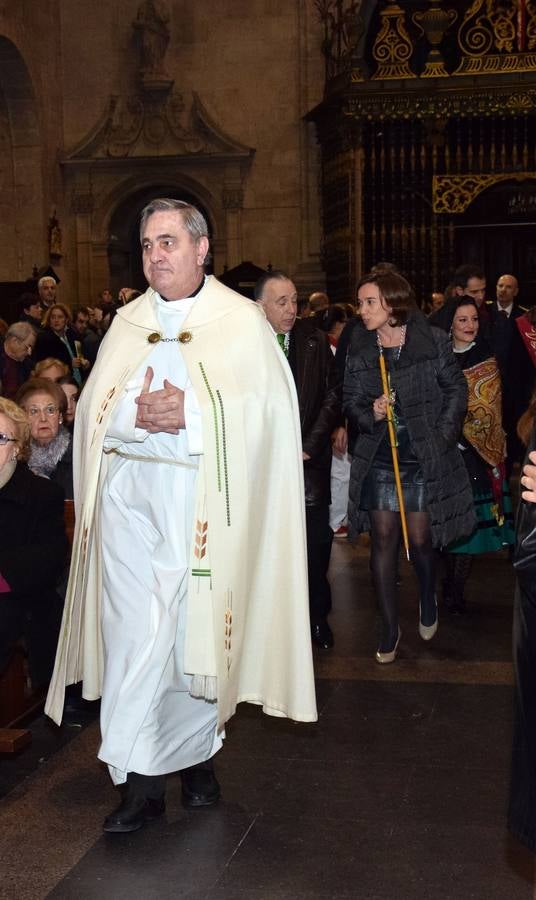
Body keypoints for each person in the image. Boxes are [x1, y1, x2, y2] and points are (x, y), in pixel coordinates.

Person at [45, 198, 316, 835]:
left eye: (167, 242)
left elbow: (269, 414)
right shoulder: (128, 321)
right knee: (138, 640)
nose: (155, 255)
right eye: (146, 244)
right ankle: (139, 786)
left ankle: (196, 761)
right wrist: (133, 415)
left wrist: (192, 414)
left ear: (201, 249)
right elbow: (90, 414)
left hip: (203, 510)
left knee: (194, 649)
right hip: (133, 509)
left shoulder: (241, 321)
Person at [344, 271, 475, 663]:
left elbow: (456, 390)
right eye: (360, 303)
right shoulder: (361, 346)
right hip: (380, 456)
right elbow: (349, 400)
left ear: (393, 304)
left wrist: (441, 435)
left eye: (370, 302)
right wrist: (371, 411)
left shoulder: (431, 341)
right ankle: (388, 625)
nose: (362, 310)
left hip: (422, 454)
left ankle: (426, 595)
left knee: (419, 539)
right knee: (382, 538)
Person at [255, 270, 341, 650]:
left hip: (308, 464)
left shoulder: (314, 341)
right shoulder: (245, 343)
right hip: (261, 465)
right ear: (261, 306)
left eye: (294, 300)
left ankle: (316, 617)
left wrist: (309, 444)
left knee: (315, 544)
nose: (292, 309)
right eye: (282, 302)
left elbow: (331, 395)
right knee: (269, 548)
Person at [437, 297, 514, 612]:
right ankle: (447, 583)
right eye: (462, 320)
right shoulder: (439, 359)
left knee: (468, 531)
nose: (470, 326)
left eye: (474, 320)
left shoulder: (486, 358)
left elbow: (489, 408)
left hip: (476, 455)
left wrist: (465, 434)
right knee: (446, 528)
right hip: (444, 453)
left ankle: (456, 589)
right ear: (450, 325)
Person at [0, 397, 68, 691]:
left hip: (18, 600)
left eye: (0, 438)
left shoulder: (42, 494)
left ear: (17, 447)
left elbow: (46, 560)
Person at [16, 378, 73, 500]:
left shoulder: (76, 455)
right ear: (24, 417)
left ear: (60, 417)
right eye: (34, 411)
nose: (43, 418)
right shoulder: (15, 458)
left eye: (50, 410)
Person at [34, 304, 89, 387]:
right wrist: (69, 364)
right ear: (49, 320)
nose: (56, 320)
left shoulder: (73, 334)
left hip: (78, 381)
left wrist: (85, 363)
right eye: (53, 317)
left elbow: (82, 354)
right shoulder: (43, 339)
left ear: (66, 320)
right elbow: (43, 365)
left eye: (60, 317)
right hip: (57, 384)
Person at [0, 322, 36, 399]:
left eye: (31, 348)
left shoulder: (28, 365)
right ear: (15, 341)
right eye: (28, 347)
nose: (29, 353)